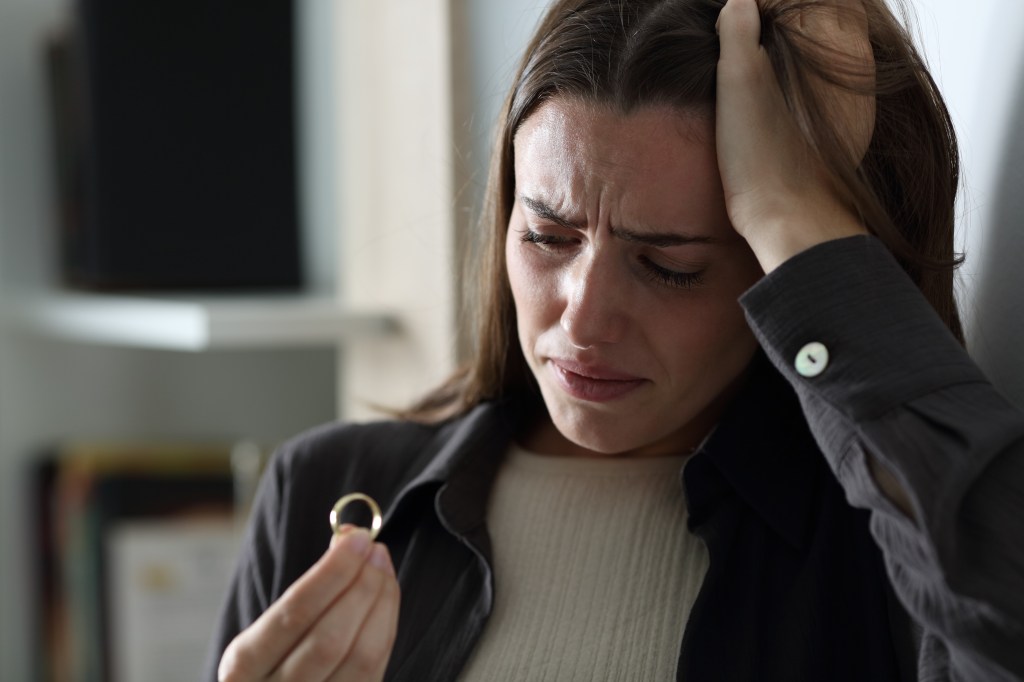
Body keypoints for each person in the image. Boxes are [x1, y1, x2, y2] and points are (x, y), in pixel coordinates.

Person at [206, 0, 1024, 679]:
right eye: (548, 237)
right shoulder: (327, 494)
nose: (583, 318)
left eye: (669, 266)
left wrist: (799, 219)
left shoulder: (887, 550)